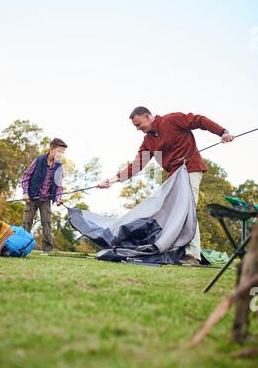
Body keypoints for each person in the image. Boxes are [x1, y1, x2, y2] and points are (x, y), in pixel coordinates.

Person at [98, 107, 234, 265]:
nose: (138, 129)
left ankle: (192, 255)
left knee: (187, 210)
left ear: (148, 117)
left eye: (139, 124)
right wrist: (112, 180)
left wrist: (222, 132)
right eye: (135, 126)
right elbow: (136, 165)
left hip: (189, 169)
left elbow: (199, 120)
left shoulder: (172, 120)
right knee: (167, 213)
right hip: (173, 177)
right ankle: (174, 249)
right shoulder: (149, 140)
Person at [21, 138, 67, 252]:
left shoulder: (59, 167)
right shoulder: (39, 160)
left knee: (46, 222)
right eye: (59, 151)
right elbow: (26, 176)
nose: (61, 155)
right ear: (52, 149)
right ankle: (22, 247)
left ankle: (47, 249)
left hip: (45, 199)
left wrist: (58, 198)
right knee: (27, 222)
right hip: (32, 197)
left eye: (63, 153)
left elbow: (59, 186)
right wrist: (25, 193)